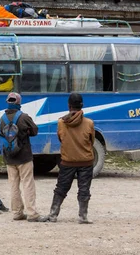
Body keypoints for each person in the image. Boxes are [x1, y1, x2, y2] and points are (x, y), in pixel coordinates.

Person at [45, 93, 95, 224]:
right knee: (84, 189)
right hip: (86, 161)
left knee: (61, 188)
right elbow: (92, 141)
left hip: (67, 161)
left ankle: (53, 214)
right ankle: (83, 216)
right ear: (82, 105)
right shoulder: (89, 123)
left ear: (69, 105)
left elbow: (61, 139)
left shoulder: (61, 122)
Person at [0, 92, 44, 222]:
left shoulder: (2, 118)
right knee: (28, 184)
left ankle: (17, 212)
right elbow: (35, 130)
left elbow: (2, 134)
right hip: (24, 156)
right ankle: (32, 213)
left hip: (9, 157)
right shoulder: (24, 117)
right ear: (19, 103)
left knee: (13, 185)